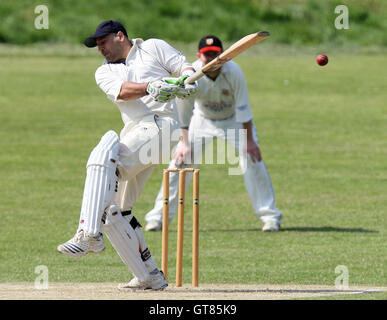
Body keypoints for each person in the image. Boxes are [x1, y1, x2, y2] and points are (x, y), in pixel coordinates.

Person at [57, 20, 198, 290]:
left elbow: (183, 67)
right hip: (137, 132)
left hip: (160, 125)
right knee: (115, 210)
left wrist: (187, 82)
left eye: (103, 43)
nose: (101, 50)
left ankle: (88, 233)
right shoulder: (104, 73)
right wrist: (153, 86)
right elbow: (123, 91)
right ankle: (149, 276)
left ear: (120, 36)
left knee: (102, 160)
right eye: (97, 46)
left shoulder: (153, 47)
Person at [145, 35, 283, 232]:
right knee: (179, 162)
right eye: (207, 55)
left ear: (222, 55)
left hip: (234, 120)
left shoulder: (234, 72)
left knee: (253, 159)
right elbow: (184, 113)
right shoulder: (193, 75)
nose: (211, 59)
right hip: (201, 121)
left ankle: (270, 216)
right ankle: (158, 217)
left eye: (215, 55)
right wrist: (184, 143)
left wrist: (249, 141)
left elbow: (244, 109)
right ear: (199, 56)